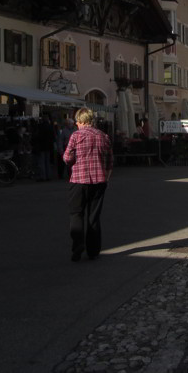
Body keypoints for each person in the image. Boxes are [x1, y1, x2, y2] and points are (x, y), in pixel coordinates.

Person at [63, 108, 112, 262]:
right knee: (93, 216)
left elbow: (67, 158)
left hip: (78, 180)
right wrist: (106, 177)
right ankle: (93, 250)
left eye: (77, 121)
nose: (76, 124)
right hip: (99, 180)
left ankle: (78, 245)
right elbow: (110, 161)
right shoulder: (104, 136)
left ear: (83, 121)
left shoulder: (76, 136)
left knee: (76, 213)